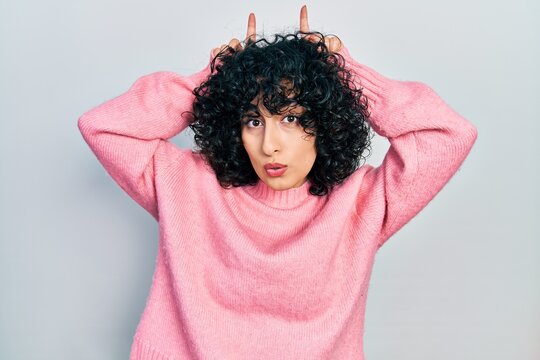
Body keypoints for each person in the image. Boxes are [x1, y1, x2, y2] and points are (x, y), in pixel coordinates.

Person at [78, 5, 478, 359]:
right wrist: (209, 83)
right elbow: (103, 127)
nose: (270, 145)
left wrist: (345, 73)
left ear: (325, 122)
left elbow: (447, 135)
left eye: (291, 118)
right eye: (255, 121)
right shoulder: (186, 184)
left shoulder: (360, 204)